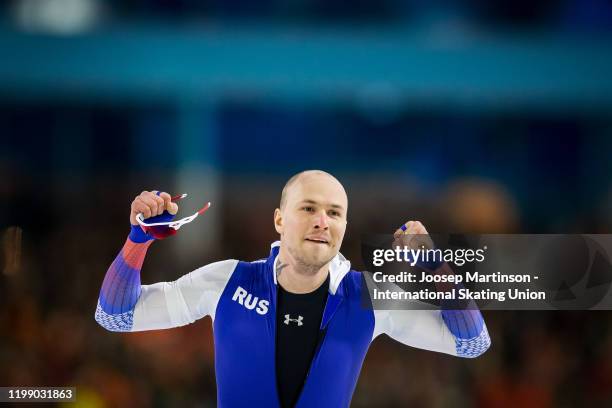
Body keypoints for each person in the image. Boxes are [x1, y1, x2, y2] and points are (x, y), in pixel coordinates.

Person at [95, 170, 490, 408]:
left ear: (345, 228)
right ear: (280, 220)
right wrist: (138, 241)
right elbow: (114, 316)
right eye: (308, 208)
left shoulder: (369, 297)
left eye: (334, 213)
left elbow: (472, 343)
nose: (322, 221)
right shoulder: (226, 282)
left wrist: (436, 267)